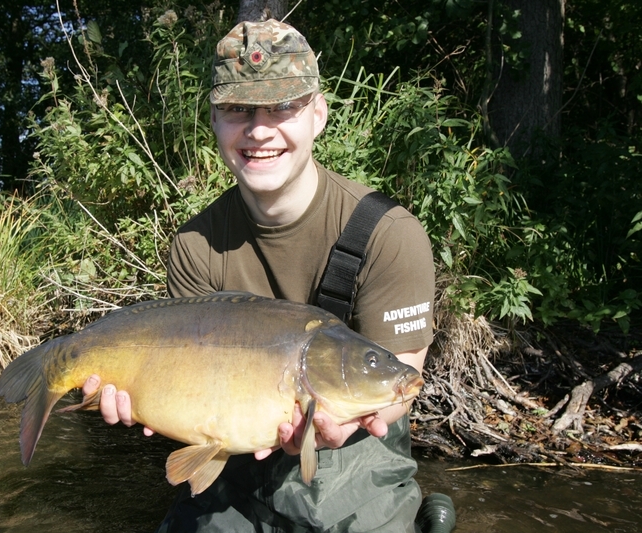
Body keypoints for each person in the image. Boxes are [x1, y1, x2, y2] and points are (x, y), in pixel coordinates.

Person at [82, 19, 435, 532]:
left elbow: (401, 380)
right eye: (237, 110)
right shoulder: (196, 245)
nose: (259, 129)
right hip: (234, 466)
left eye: (282, 106)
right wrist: (140, 399)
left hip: (356, 464)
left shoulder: (388, 234)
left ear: (318, 115)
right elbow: (187, 393)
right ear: (214, 121)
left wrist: (339, 425)